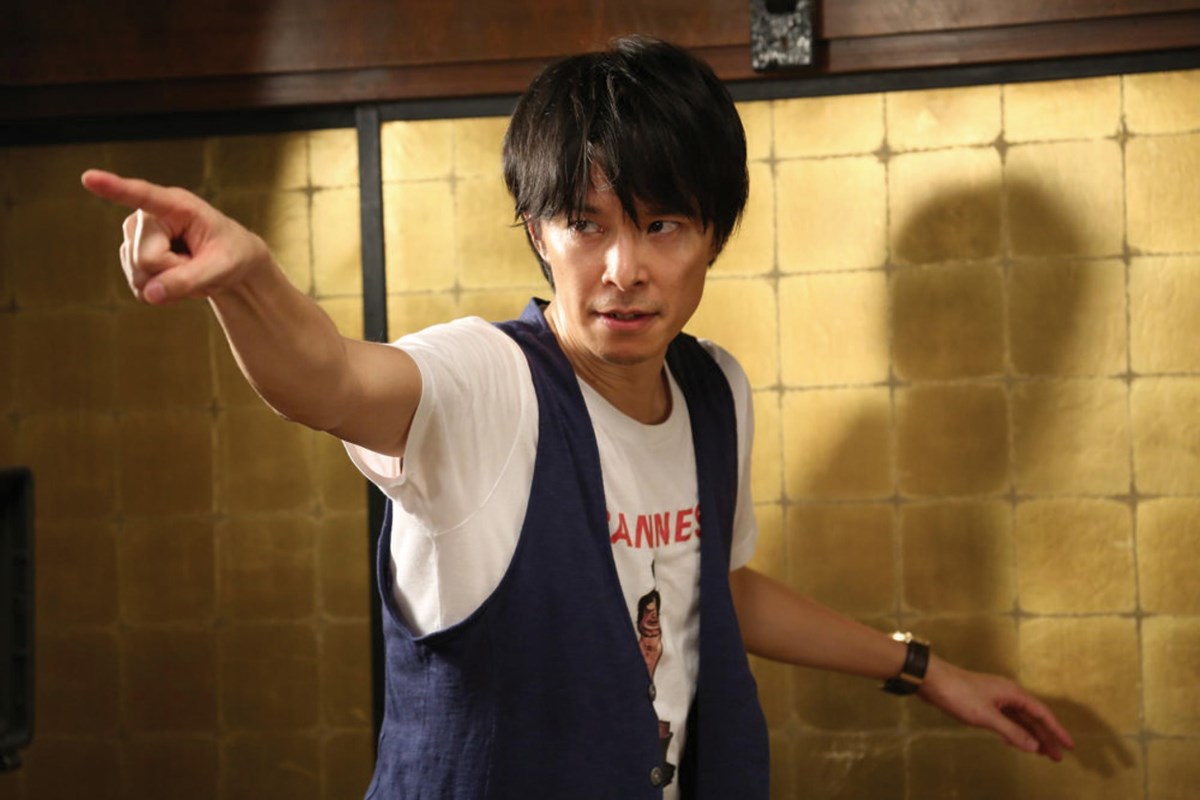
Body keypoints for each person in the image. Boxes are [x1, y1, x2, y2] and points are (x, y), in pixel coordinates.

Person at [82, 35, 1073, 800]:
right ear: (537, 230)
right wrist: (247, 282)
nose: (623, 269)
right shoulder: (487, 382)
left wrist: (925, 668)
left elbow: (711, 588)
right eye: (585, 224)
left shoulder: (714, 390)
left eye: (662, 224)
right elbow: (328, 379)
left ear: (714, 235)